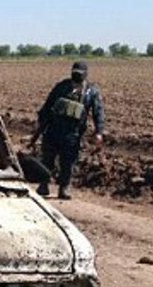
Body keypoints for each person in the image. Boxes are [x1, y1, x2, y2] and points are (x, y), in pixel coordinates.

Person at [31, 61, 105, 199]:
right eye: (75, 72)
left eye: (80, 73)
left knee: (68, 162)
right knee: (47, 159)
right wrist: (40, 123)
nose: (76, 75)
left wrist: (99, 132)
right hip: (53, 129)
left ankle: (64, 187)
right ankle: (43, 184)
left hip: (73, 133)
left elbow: (98, 112)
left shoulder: (91, 91)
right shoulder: (61, 87)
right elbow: (48, 106)